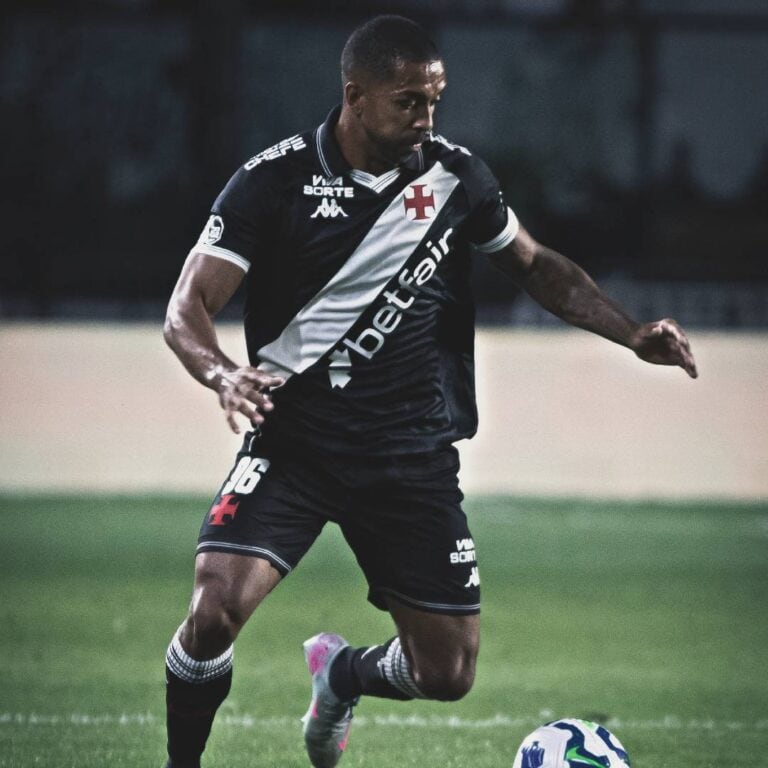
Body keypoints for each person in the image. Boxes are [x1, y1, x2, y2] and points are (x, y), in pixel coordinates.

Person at [161, 14, 698, 768]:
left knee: (446, 674)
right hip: (294, 445)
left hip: (410, 454)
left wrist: (631, 332)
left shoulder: (457, 177)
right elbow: (186, 308)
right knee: (213, 608)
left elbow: (538, 265)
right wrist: (222, 374)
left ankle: (342, 673)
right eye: (408, 102)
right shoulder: (272, 181)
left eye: (435, 101)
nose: (426, 119)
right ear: (355, 95)